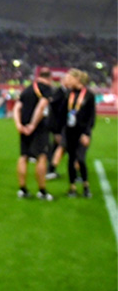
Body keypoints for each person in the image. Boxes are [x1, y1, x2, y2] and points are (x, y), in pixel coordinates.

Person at [13, 67, 54, 200]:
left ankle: (22, 189)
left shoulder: (28, 89)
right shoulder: (46, 89)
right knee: (42, 156)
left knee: (23, 156)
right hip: (39, 128)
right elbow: (41, 106)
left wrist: (19, 125)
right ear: (50, 78)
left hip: (23, 126)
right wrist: (33, 125)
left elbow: (17, 107)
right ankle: (42, 191)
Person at [64, 69, 96, 198]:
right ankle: (72, 187)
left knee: (81, 159)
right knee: (71, 159)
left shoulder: (89, 95)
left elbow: (91, 116)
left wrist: (86, 133)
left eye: (69, 78)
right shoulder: (68, 94)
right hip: (70, 131)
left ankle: (86, 186)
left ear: (77, 79)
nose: (67, 80)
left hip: (82, 133)